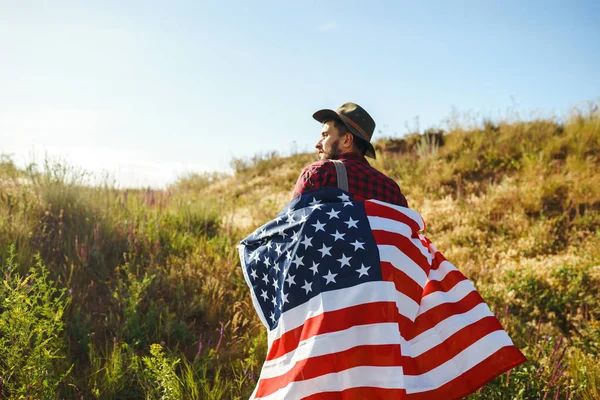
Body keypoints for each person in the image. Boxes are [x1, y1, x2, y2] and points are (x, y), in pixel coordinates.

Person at [292, 101, 409, 207]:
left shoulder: (318, 173)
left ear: (347, 140)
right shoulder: (390, 188)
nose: (318, 144)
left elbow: (291, 225)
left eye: (325, 135)